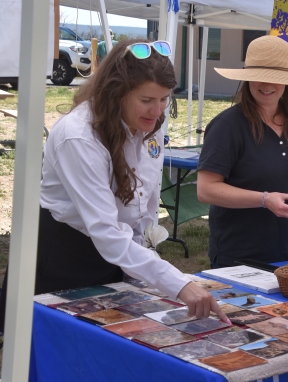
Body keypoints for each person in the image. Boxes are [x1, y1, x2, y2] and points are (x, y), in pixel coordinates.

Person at [0, 39, 230, 332]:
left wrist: (144, 259)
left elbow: (144, 197)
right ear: (116, 92)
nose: (157, 111)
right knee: (59, 346)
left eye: (164, 99)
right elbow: (105, 230)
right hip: (64, 254)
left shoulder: (150, 124)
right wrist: (177, 283)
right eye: (146, 100)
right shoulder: (79, 136)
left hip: (117, 253)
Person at [196, 35, 288, 268]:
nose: (267, 85)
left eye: (276, 79)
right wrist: (264, 200)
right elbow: (206, 190)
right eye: (259, 77)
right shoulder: (228, 126)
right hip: (239, 256)